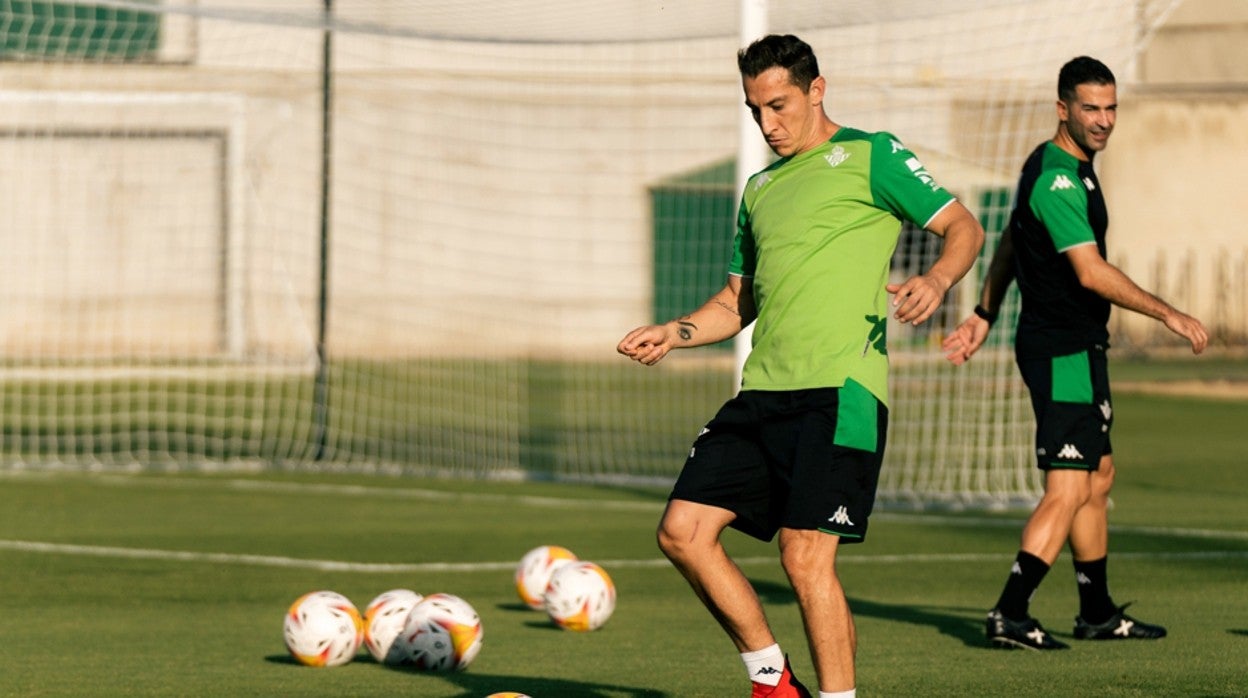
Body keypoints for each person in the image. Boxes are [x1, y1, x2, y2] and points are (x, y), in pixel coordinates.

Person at [617, 34, 984, 697]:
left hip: (840, 390)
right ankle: (773, 681)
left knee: (804, 556)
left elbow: (964, 226)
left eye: (779, 105)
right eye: (756, 109)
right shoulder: (758, 189)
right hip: (763, 392)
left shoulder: (873, 155)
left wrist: (938, 280)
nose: (768, 124)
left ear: (818, 89)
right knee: (683, 531)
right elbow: (738, 301)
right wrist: (675, 331)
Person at [942, 56, 1209, 651]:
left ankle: (1096, 612)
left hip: (1077, 346)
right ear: (1063, 108)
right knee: (1067, 486)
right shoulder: (1060, 178)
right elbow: (1089, 272)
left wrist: (985, 312)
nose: (1104, 119)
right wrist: (1168, 312)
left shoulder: (1060, 165)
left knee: (1097, 476)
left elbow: (1014, 236)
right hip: (1061, 349)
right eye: (1091, 107)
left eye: (1111, 107)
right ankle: (1010, 612)